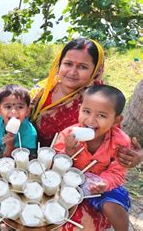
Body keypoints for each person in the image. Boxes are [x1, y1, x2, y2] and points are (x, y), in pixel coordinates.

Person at [0, 38, 105, 147]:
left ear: (96, 71)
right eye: (68, 64)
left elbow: (100, 141)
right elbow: (14, 122)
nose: (73, 72)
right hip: (20, 150)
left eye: (83, 67)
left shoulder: (94, 103)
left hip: (58, 165)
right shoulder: (44, 89)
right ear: (59, 64)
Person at [54, 85, 131, 230]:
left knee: (112, 207)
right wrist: (68, 151)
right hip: (71, 183)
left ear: (116, 120)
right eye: (86, 111)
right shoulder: (68, 134)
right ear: (79, 109)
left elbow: (118, 173)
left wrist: (104, 184)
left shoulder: (121, 142)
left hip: (101, 184)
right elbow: (55, 165)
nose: (91, 120)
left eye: (101, 115)